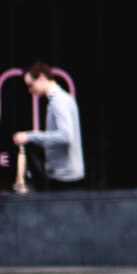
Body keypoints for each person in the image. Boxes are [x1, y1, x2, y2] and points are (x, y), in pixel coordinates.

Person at [11, 62, 84, 191]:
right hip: (66, 174)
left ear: (42, 78)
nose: (30, 90)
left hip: (65, 178)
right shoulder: (62, 99)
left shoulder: (58, 101)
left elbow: (66, 136)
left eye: (31, 85)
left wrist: (30, 136)